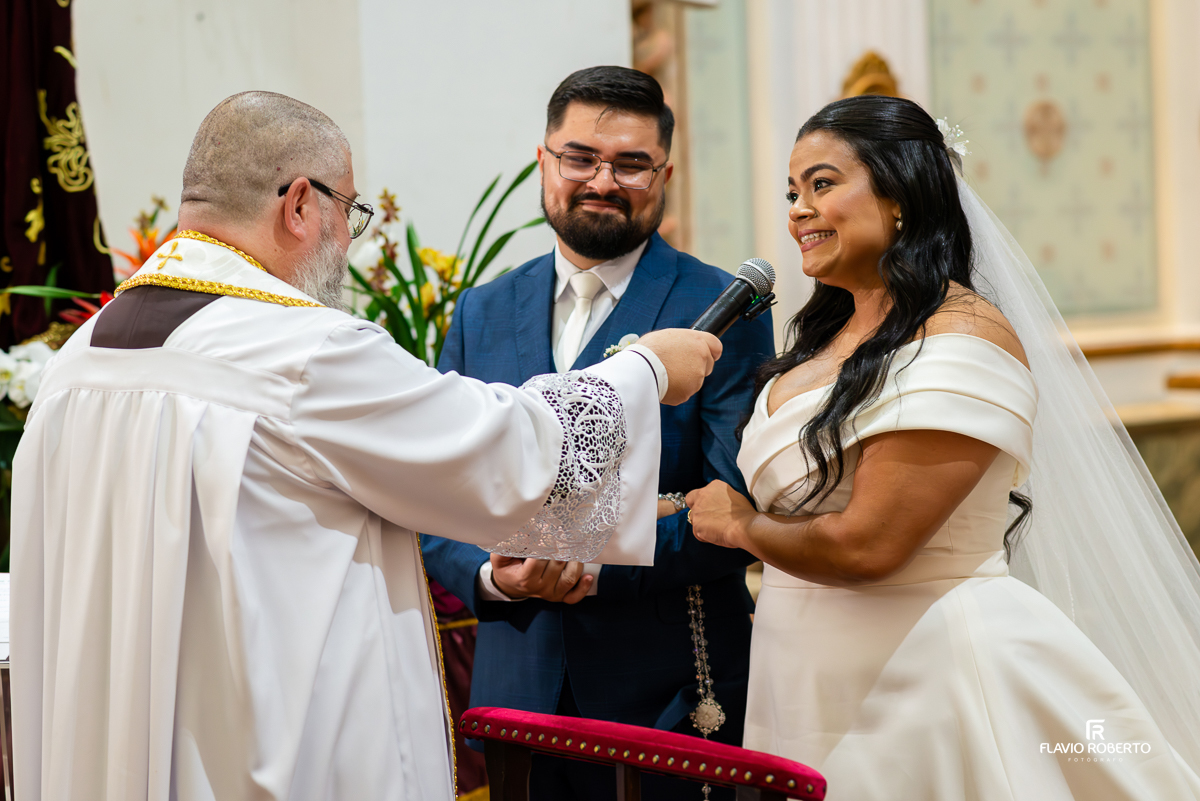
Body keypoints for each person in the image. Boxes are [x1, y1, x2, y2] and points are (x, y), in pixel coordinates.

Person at [9, 90, 724, 801]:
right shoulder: (300, 350)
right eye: (349, 211)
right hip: (264, 752)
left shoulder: (79, 363)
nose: (348, 241)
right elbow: (505, 452)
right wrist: (646, 369)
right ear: (298, 204)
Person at [687, 95, 1200, 799]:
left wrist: (740, 524)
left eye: (823, 184)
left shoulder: (963, 337)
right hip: (801, 670)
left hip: (926, 672)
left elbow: (870, 547)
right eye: (792, 191)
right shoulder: (823, 339)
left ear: (899, 195)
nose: (797, 210)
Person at [421, 66, 774, 800]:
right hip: (516, 688)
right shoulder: (482, 309)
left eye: (631, 163)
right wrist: (494, 574)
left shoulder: (718, 304)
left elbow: (728, 498)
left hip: (670, 690)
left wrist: (583, 561)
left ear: (665, 173)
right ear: (543, 161)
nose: (602, 180)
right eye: (580, 157)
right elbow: (437, 493)